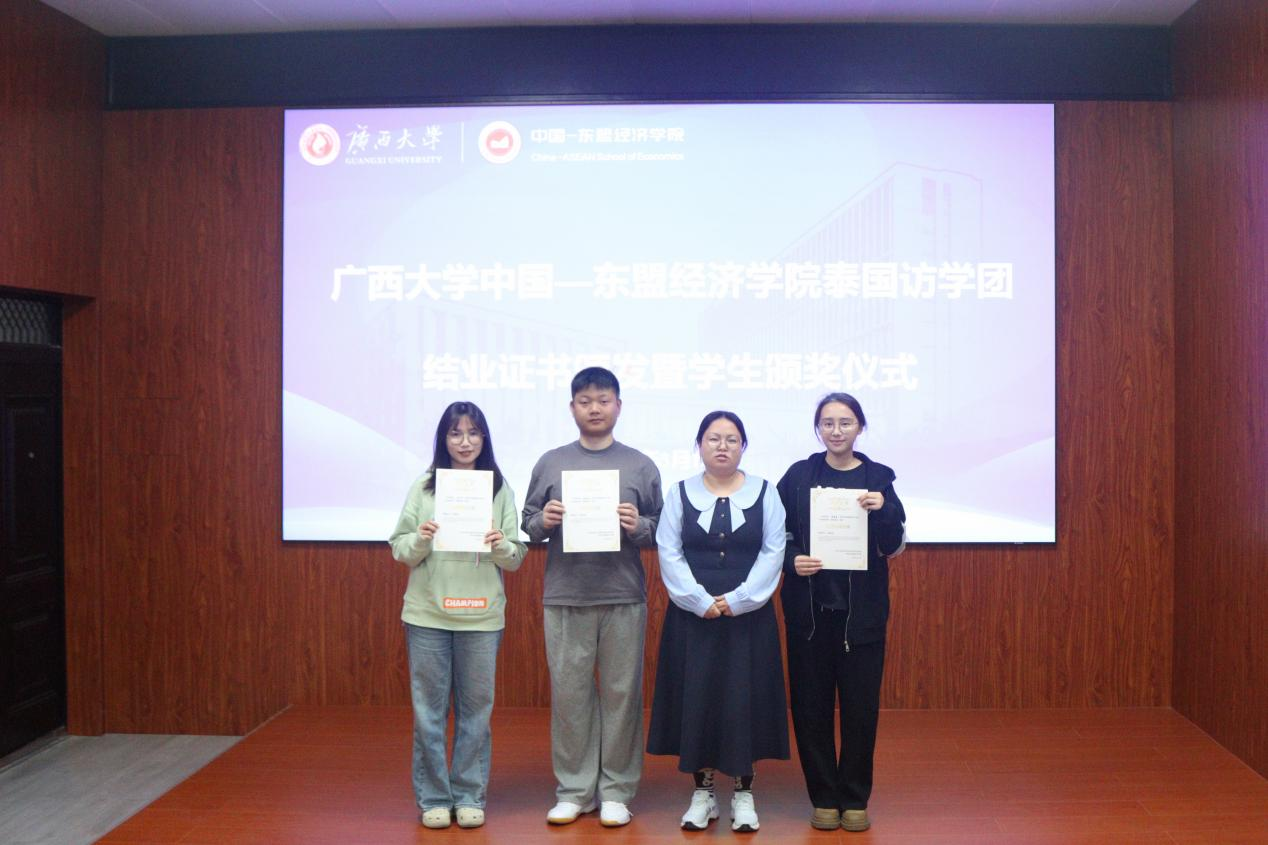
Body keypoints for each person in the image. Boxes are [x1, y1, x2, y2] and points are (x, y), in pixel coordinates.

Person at [521, 367, 663, 828]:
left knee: (622, 696)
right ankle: (575, 791)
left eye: (603, 400)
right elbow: (527, 524)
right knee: (570, 697)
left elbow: (662, 529)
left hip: (623, 594)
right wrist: (545, 520)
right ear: (572, 408)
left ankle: (617, 790)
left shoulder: (640, 465)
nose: (595, 408)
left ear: (618, 406)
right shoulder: (551, 462)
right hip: (566, 595)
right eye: (585, 401)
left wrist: (637, 525)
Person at [647, 410, 788, 833]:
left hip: (749, 617)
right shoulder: (679, 493)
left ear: (743, 446)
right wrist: (698, 600)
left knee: (746, 698)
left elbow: (774, 550)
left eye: (731, 439)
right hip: (694, 617)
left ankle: (744, 793)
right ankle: (703, 793)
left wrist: (741, 599)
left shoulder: (765, 492)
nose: (722, 446)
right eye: (713, 438)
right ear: (700, 445)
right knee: (699, 698)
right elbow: (668, 550)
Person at [388, 401, 526, 830]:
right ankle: (434, 797)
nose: (465, 442)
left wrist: (501, 544)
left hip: (481, 618)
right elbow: (399, 548)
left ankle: (468, 795)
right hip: (428, 615)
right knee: (429, 713)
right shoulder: (424, 487)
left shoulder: (499, 488)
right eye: (455, 433)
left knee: (476, 713)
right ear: (443, 439)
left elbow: (516, 558)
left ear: (484, 438)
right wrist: (421, 538)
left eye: (473, 433)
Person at [777, 393, 906, 833]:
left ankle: (854, 798)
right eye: (828, 423)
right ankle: (823, 797)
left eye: (845, 422)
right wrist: (792, 559)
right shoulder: (798, 476)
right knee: (810, 710)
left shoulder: (879, 478)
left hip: (861, 617)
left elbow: (894, 544)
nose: (836, 431)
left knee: (859, 711)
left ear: (860, 427)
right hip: (810, 616)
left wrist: (883, 510)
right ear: (818, 428)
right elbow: (777, 536)